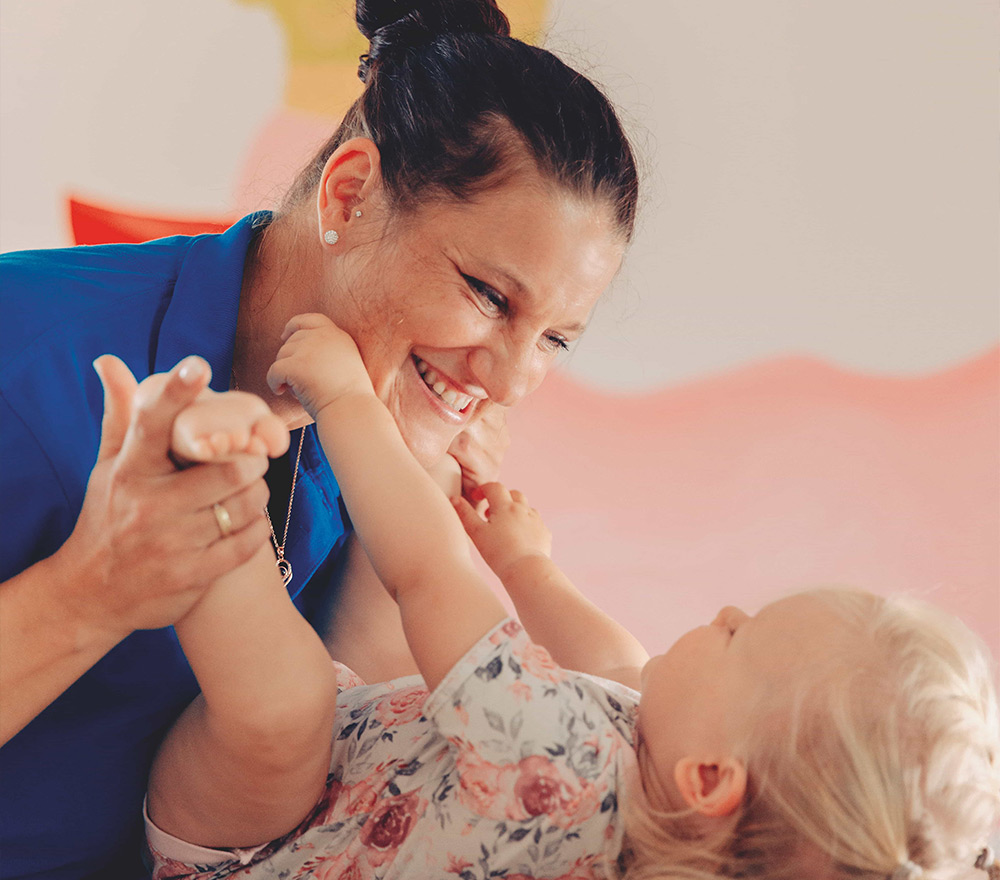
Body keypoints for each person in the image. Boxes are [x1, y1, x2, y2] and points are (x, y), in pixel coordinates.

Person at [0, 0, 639, 876]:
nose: (509, 382)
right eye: (490, 296)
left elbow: (325, 765)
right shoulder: (25, 356)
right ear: (349, 194)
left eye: (556, 339)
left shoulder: (364, 428)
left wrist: (415, 513)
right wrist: (89, 592)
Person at [144, 313, 1000, 880]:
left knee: (285, 698)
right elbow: (620, 665)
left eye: (740, 636)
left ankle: (197, 491)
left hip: (246, 843)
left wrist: (345, 398)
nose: (726, 613)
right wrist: (529, 567)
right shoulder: (661, 798)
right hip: (373, 781)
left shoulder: (564, 763)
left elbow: (429, 574)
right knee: (395, 594)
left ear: (711, 778)